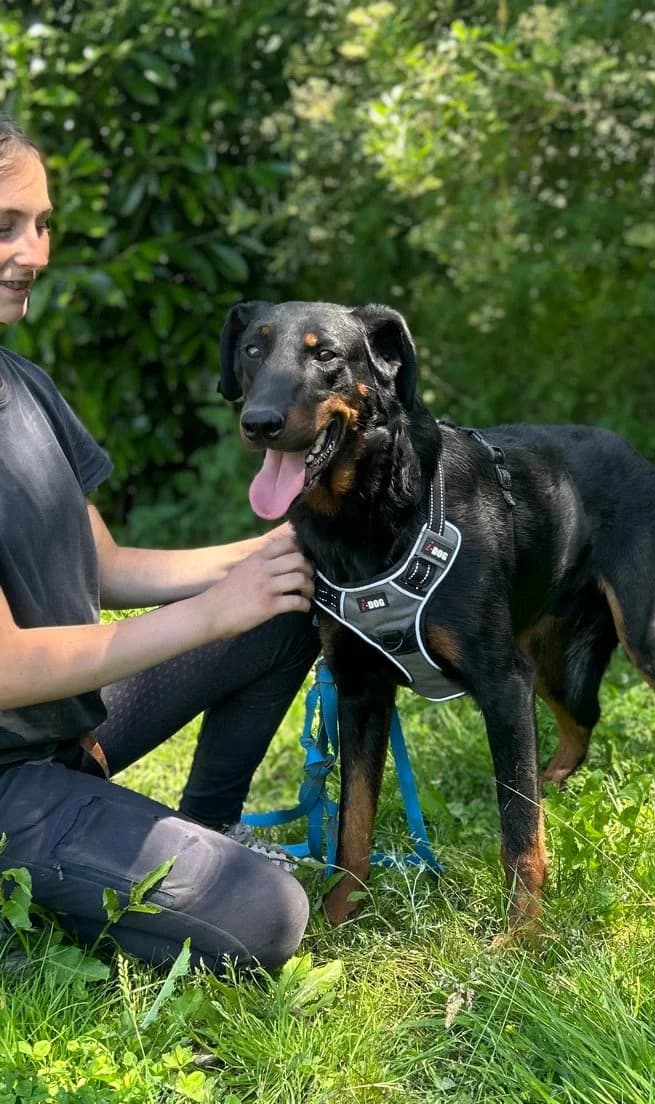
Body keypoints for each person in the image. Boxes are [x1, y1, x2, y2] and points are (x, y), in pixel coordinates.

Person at [0, 115, 321, 971]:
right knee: (268, 914)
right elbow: (5, 670)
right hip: (6, 784)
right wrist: (212, 613)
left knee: (284, 604)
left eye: (42, 224)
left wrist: (274, 557)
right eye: (5, 225)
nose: (33, 252)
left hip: (59, 740)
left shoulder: (20, 383)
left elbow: (102, 566)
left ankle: (195, 833)